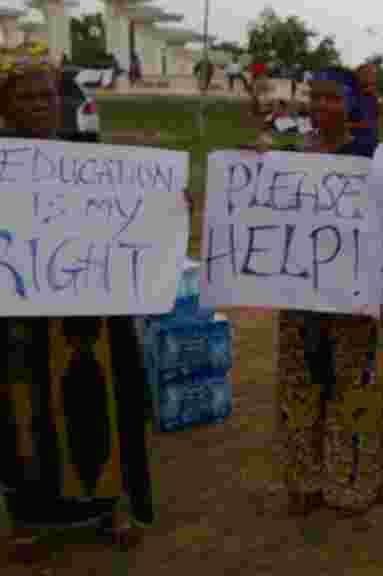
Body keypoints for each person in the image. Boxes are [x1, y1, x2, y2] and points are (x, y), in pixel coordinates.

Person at [0, 51, 169, 563]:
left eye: (46, 95)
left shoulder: (89, 158)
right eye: (24, 95)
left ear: (60, 101)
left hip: (91, 315)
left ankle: (109, 507)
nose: (38, 104)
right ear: (5, 105)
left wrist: (166, 202)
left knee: (103, 403)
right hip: (19, 318)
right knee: (22, 412)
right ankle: (27, 517)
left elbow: (135, 215)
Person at [259, 67, 383, 518]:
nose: (321, 107)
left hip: (353, 296)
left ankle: (354, 483)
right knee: (299, 386)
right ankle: (305, 481)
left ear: (350, 104)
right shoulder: (296, 154)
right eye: (314, 98)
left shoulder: (372, 156)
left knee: (356, 389)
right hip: (302, 294)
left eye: (332, 99)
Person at [348, 63, 383, 158]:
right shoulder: (350, 96)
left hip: (372, 149)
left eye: (374, 74)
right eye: (369, 73)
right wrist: (357, 125)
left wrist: (378, 100)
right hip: (352, 150)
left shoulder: (375, 97)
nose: (372, 77)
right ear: (358, 76)